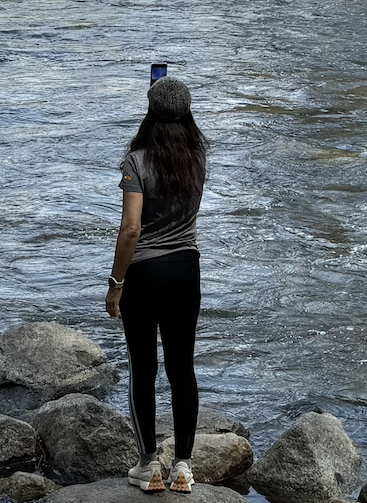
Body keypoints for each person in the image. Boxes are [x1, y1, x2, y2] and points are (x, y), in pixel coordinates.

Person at [105, 75, 209, 493]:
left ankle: (148, 466)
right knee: (183, 369)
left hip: (145, 274)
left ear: (149, 113)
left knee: (142, 371)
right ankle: (183, 465)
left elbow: (131, 229)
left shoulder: (136, 160)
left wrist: (116, 284)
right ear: (187, 114)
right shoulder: (198, 156)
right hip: (187, 269)